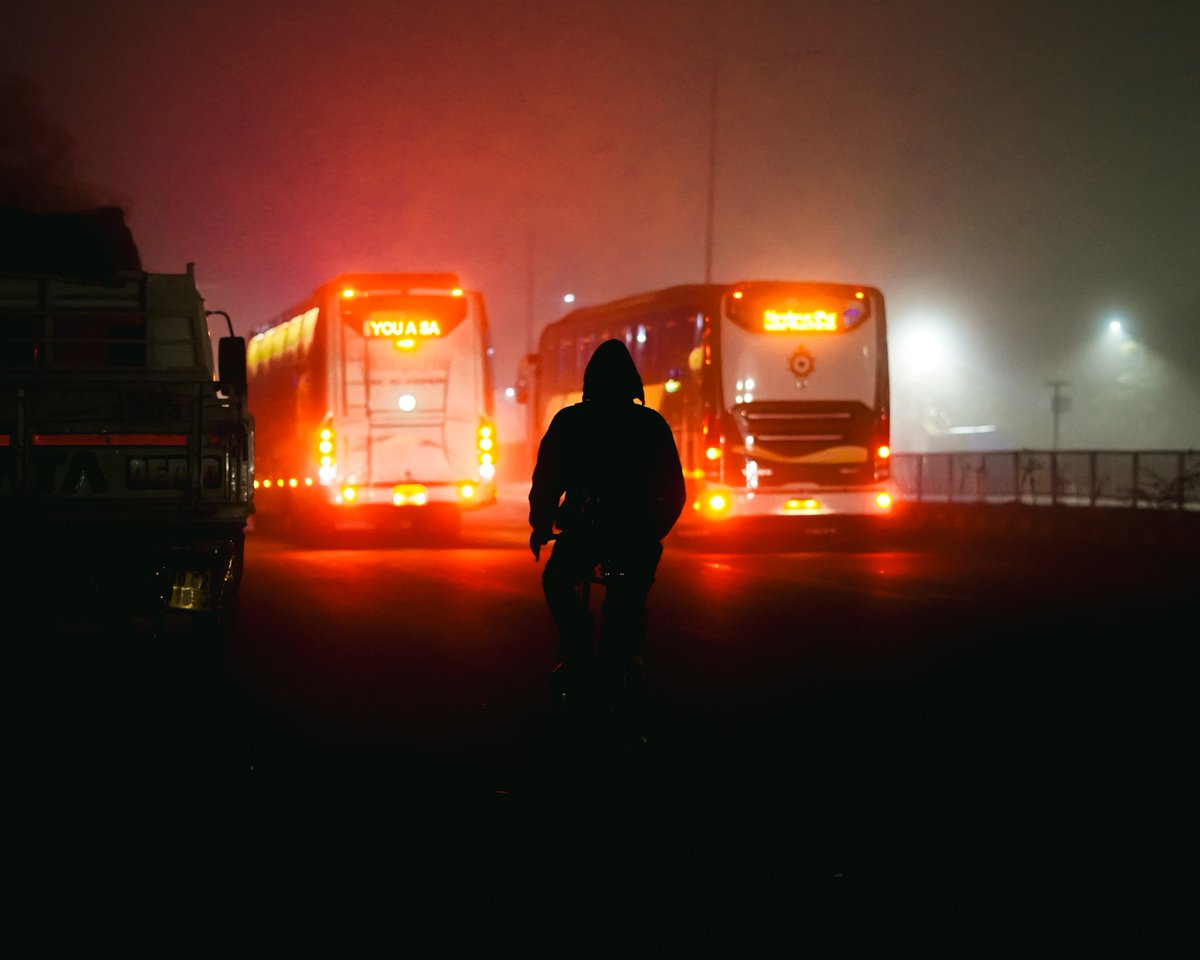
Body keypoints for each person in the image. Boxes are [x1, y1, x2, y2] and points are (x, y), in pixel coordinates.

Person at [528, 338, 687, 696]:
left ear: (589, 383)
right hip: (636, 539)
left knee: (557, 582)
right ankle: (631, 660)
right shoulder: (651, 425)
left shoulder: (571, 422)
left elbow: (547, 481)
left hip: (583, 534)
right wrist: (651, 533)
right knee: (628, 600)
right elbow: (674, 492)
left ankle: (579, 648)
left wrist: (540, 525)